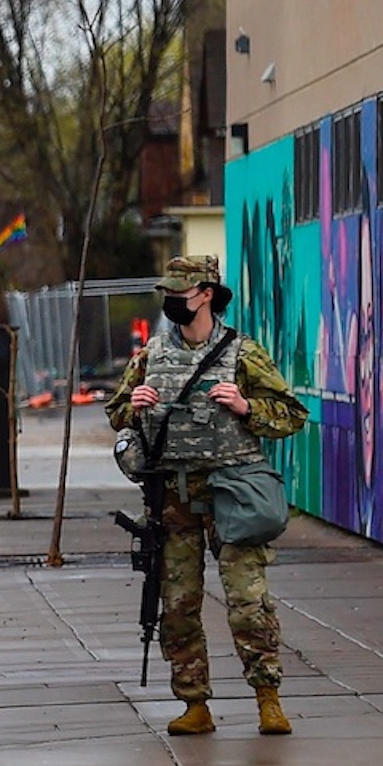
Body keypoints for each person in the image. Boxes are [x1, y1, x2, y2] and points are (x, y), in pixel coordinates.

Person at [105, 254, 309, 736]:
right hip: (173, 498)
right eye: (169, 294)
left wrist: (246, 406)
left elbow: (292, 415)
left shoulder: (243, 353)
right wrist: (132, 407)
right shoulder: (151, 355)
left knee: (248, 601)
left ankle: (268, 698)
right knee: (177, 606)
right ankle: (194, 702)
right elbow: (116, 413)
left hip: (232, 494)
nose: (174, 301)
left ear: (208, 295)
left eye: (182, 292)